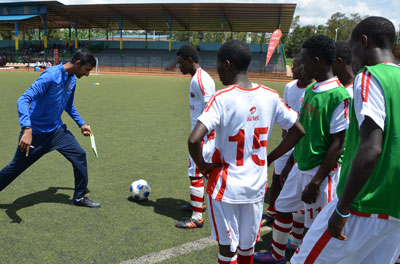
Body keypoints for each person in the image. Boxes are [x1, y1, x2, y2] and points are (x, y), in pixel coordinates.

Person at [291, 16, 400, 264]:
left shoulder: (370, 77)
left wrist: (342, 208)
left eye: (351, 49)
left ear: (363, 42)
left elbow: (371, 148)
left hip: (363, 203)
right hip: (395, 211)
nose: (351, 58)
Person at [188, 39, 305, 264]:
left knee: (226, 249)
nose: (217, 70)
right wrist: (268, 158)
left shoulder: (221, 98)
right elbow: (298, 130)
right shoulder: (271, 95)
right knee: (246, 248)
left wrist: (202, 165)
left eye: (219, 65)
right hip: (256, 185)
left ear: (228, 64)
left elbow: (194, 139)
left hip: (225, 185)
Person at [254, 35, 351, 263]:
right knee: (282, 208)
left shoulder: (339, 95)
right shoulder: (311, 90)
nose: (300, 66)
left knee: (318, 228)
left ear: (316, 61)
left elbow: (337, 146)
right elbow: (303, 133)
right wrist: (289, 163)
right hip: (300, 166)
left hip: (322, 174)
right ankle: (278, 257)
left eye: (304, 61)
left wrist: (316, 182)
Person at [0, 49, 100, 208]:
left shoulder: (72, 79)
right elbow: (23, 99)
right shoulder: (51, 75)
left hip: (57, 132)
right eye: (87, 70)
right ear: (78, 63)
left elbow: (68, 105)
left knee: (79, 155)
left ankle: (79, 198)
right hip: (36, 134)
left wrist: (81, 124)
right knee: (14, 168)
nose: (88, 74)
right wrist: (27, 129)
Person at [262, 55, 314, 237]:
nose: (293, 69)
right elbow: (285, 113)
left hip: (303, 144)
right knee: (277, 178)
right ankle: (271, 212)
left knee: (296, 182)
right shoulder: (289, 87)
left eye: (297, 65)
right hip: (287, 142)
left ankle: (297, 223)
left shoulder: (313, 89)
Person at [175, 44, 216, 229]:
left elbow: (212, 108)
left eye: (180, 62)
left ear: (189, 60)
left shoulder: (200, 80)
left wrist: (203, 137)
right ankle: (198, 204)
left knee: (195, 173)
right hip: (202, 135)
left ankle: (197, 217)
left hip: (204, 137)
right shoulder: (197, 78)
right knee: (198, 172)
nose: (178, 66)